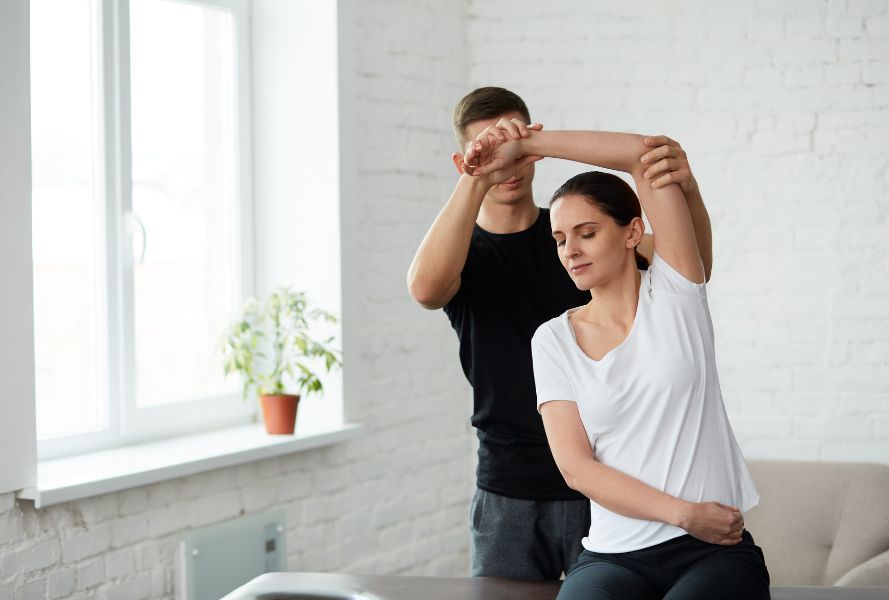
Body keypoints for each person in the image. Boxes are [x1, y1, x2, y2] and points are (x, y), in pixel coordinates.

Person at [407, 87, 715, 580]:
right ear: (461, 159)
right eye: (485, 148)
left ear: (532, 139)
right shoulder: (461, 249)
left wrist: (689, 192)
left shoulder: (579, 236)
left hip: (609, 482)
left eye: (513, 145)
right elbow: (424, 290)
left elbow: (689, 265)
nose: (506, 166)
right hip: (508, 490)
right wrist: (478, 172)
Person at [462, 125, 769, 598]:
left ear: (632, 232)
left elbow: (641, 154)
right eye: (561, 239)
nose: (571, 251)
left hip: (712, 551)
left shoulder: (677, 295)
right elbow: (576, 469)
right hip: (612, 556)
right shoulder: (552, 340)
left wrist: (526, 146)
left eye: (587, 233)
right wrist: (684, 513)